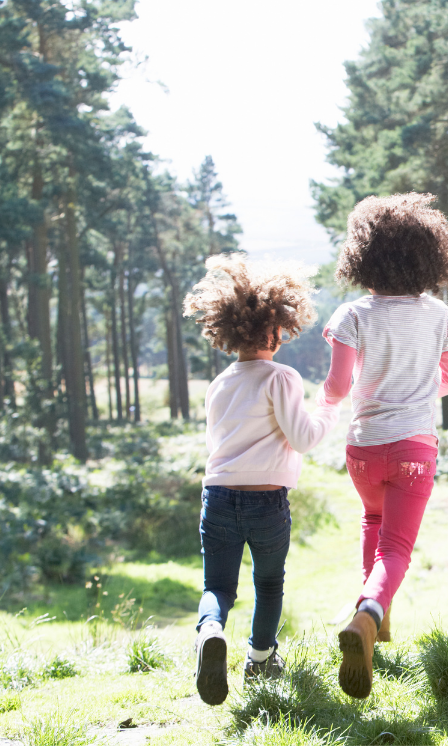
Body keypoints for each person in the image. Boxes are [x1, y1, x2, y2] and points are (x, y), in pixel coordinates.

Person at [323, 193, 448, 700]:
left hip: (363, 449)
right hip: (414, 449)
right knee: (398, 546)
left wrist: (328, 399)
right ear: (430, 255)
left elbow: (339, 388)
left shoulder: (352, 315)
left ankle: (375, 619)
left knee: (373, 522)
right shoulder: (441, 318)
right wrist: (421, 388)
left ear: (363, 256)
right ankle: (368, 615)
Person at [183, 254, 336, 706]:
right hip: (267, 502)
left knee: (217, 587)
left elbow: (219, 441)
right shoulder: (282, 377)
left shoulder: (219, 384)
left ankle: (210, 630)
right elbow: (303, 438)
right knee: (268, 583)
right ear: (275, 328)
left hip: (218, 496)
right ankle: (261, 658)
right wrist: (328, 408)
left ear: (230, 331)